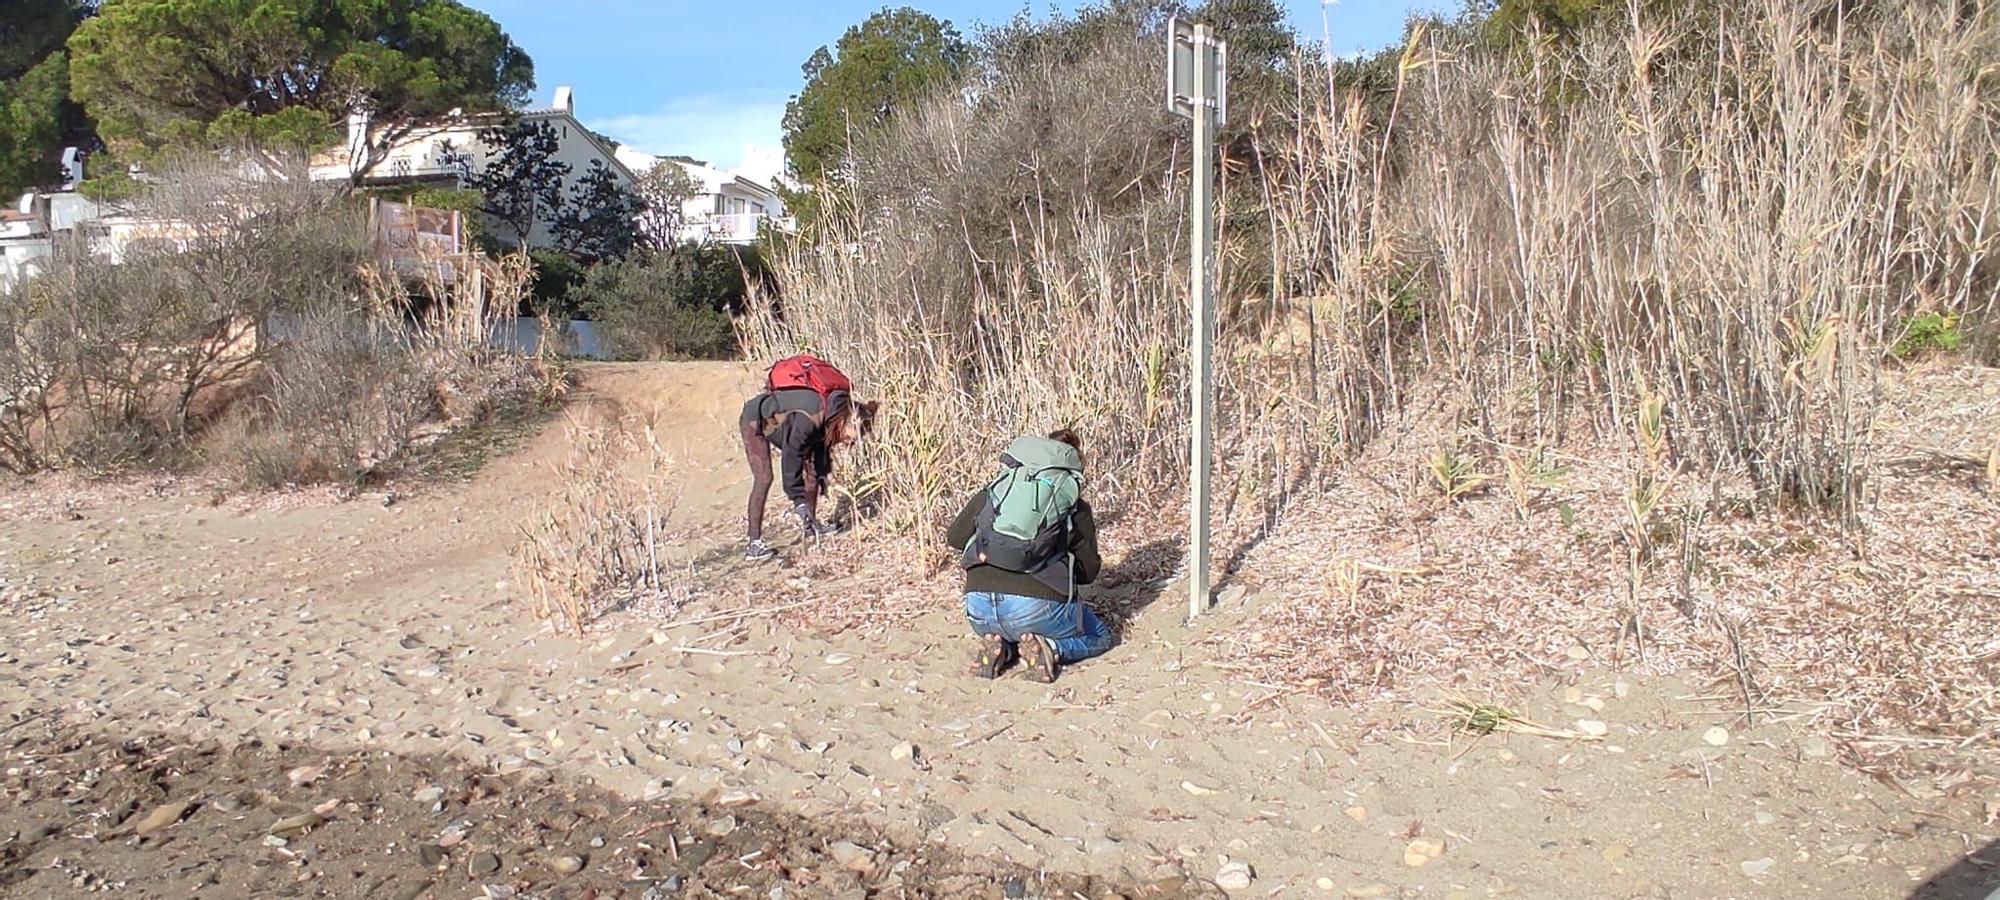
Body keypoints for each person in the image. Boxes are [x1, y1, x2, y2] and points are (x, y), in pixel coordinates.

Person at [946, 429, 1112, 683]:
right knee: (1099, 635)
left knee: (1006, 626)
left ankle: (1003, 646)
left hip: (977, 607)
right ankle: (1051, 648)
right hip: (1035, 608)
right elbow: (1087, 573)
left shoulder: (999, 488)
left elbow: (955, 538)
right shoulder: (1072, 502)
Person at [739, 375, 876, 562]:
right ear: (848, 421)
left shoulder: (833, 415)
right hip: (757, 420)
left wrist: (822, 475)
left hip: (786, 427)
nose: (849, 442)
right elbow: (791, 455)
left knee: (812, 474)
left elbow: (820, 452)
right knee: (764, 477)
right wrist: (798, 499)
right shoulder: (811, 417)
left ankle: (810, 526)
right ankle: (753, 544)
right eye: (850, 437)